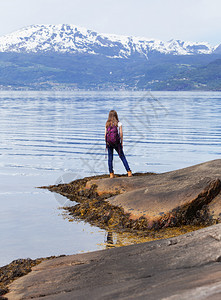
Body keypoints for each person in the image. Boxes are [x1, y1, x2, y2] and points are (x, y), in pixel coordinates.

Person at [105, 110, 132, 178]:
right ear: (116, 115)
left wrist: (107, 143)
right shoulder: (118, 123)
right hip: (117, 142)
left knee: (110, 158)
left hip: (109, 143)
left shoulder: (107, 124)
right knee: (122, 157)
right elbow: (121, 134)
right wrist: (121, 142)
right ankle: (128, 172)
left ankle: (111, 174)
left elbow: (105, 135)